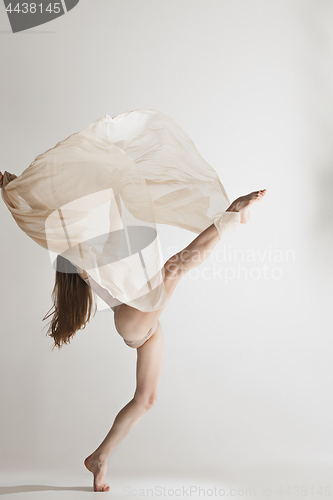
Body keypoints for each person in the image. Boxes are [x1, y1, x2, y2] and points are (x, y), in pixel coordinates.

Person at [1, 169, 266, 491]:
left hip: (143, 324)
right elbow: (43, 223)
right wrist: (15, 192)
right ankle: (232, 215)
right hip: (131, 316)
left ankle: (99, 457)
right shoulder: (76, 252)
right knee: (175, 266)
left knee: (146, 399)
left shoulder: (103, 244)